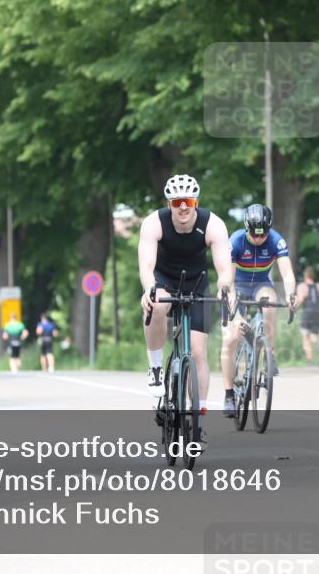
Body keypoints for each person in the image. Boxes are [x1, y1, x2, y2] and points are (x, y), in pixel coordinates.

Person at [138, 174, 233, 445]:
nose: (183, 207)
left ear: (196, 202)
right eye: (177, 201)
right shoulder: (153, 223)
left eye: (188, 201)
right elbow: (146, 266)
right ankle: (156, 367)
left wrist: (225, 287)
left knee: (199, 352)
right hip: (164, 280)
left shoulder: (213, 224)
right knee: (156, 305)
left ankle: (198, 416)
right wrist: (150, 288)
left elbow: (225, 268)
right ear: (169, 204)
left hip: (197, 284)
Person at [220, 203, 296, 417]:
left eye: (264, 235)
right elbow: (228, 279)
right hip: (238, 287)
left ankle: (269, 353)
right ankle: (228, 396)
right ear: (247, 229)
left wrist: (291, 295)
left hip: (262, 284)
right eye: (255, 235)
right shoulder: (235, 241)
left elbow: (287, 274)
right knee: (231, 339)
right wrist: (235, 313)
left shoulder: (276, 240)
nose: (259, 239)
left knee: (270, 303)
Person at [296, 266, 319, 365]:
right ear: (313, 276)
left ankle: (310, 360)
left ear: (305, 276)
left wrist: (295, 305)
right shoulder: (318, 286)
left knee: (305, 336)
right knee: (314, 335)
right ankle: (318, 342)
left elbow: (301, 299)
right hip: (317, 312)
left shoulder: (302, 286)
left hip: (307, 313)